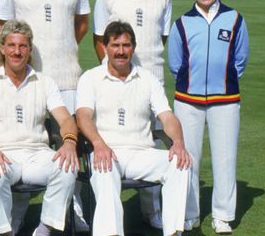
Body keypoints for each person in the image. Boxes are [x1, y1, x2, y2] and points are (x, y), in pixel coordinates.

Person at [0, 0, 89, 232]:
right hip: (27, 80)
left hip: (68, 79)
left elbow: (81, 25)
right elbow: (3, 27)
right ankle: (17, 215)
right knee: (27, 147)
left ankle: (73, 213)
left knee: (69, 148)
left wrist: (60, 49)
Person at [76, 21, 192, 236]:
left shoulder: (148, 79)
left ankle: (173, 232)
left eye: (126, 45)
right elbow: (83, 117)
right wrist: (98, 144)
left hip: (142, 152)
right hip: (106, 151)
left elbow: (167, 116)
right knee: (103, 168)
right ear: (105, 47)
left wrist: (178, 143)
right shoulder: (90, 78)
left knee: (181, 162)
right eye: (115, 45)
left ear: (134, 47)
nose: (121, 51)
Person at [0, 20, 78, 236]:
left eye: (22, 46)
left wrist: (70, 143)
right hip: (1, 153)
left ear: (29, 49)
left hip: (38, 154)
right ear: (2, 48)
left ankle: (44, 230)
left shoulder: (45, 82)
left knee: (68, 167)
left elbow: (65, 120)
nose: (17, 52)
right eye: (11, 46)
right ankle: (5, 232)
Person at [92, 0, 172, 229]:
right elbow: (100, 39)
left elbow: (161, 37)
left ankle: (152, 210)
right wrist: (112, 71)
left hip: (153, 81)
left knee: (151, 145)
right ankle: (107, 216)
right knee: (116, 139)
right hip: (115, 82)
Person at [168, 0, 249, 234]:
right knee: (187, 159)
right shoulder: (181, 22)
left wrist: (222, 81)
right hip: (187, 100)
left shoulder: (235, 19)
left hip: (225, 100)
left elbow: (241, 60)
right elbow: (175, 64)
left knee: (225, 159)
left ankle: (222, 216)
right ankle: (189, 213)